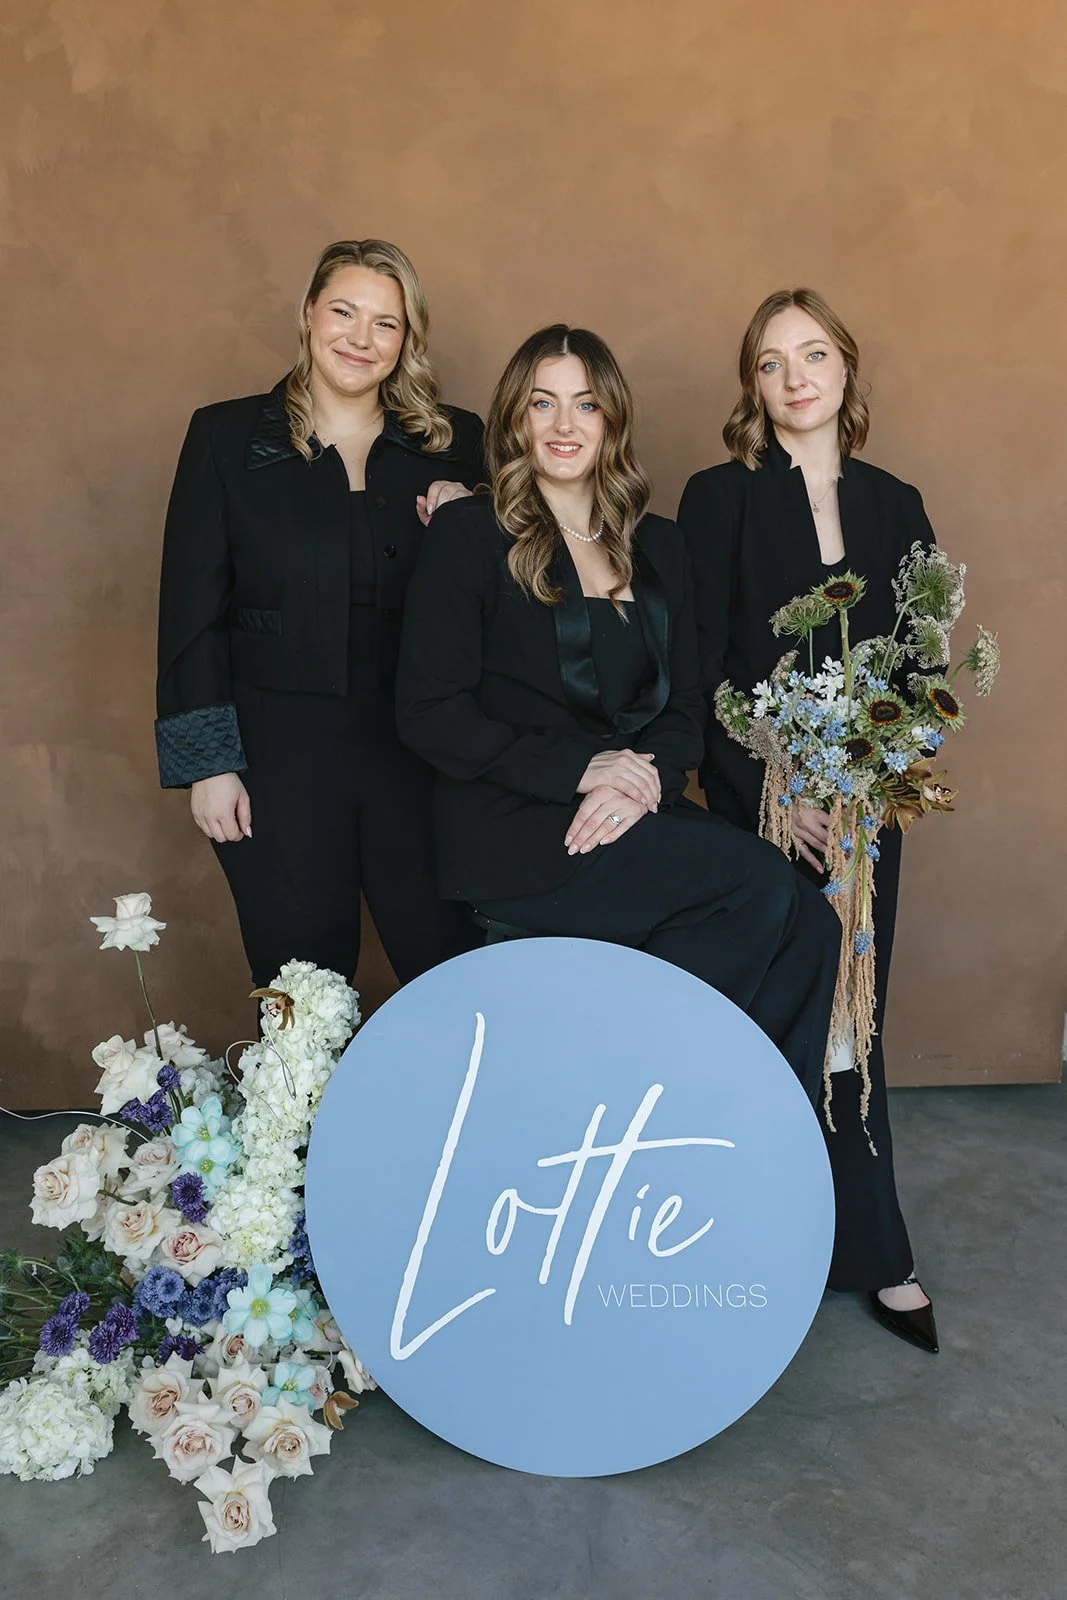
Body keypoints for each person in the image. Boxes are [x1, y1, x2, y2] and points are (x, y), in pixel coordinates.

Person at [395, 324, 840, 1103]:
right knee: (755, 886)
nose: (564, 426)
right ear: (515, 420)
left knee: (812, 922)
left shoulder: (659, 546)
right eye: (542, 404)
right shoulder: (472, 533)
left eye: (586, 405)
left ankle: (758, 1127)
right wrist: (581, 769)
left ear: (612, 420)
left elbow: (687, 701)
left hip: (634, 811)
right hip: (517, 826)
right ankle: (628, 1095)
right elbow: (429, 711)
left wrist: (643, 782)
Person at [677, 287, 939, 1353]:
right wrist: (771, 797)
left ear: (845, 366)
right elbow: (700, 666)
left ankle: (873, 1249)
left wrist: (870, 782)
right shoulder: (717, 499)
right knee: (767, 1024)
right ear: (751, 384)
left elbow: (920, 668)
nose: (794, 377)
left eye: (814, 353)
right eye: (770, 361)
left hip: (864, 816)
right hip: (765, 814)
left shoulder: (895, 503)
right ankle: (746, 1241)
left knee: (852, 1026)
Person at [155, 238, 483, 990]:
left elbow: (512, 591)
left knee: (452, 970)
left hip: (426, 758)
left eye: (385, 323)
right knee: (301, 985)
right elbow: (189, 614)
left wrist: (477, 514)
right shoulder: (225, 438)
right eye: (343, 312)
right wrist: (208, 764)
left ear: (407, 338)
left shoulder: (456, 443)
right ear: (307, 313)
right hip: (276, 761)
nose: (360, 338)